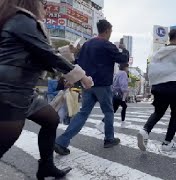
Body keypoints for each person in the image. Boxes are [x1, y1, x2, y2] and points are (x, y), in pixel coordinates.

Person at [0, 0, 94, 179]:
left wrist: (67, 51)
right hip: (10, 91)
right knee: (4, 140)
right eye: (43, 3)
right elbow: (48, 54)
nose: (46, 8)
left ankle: (46, 166)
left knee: (51, 119)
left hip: (24, 91)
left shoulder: (17, 21)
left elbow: (43, 52)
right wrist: (82, 77)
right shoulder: (22, 20)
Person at [55, 19, 129, 155]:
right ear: (107, 30)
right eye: (111, 31)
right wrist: (124, 49)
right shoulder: (108, 45)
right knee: (108, 111)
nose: (110, 34)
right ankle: (109, 138)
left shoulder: (86, 45)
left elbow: (77, 62)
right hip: (103, 85)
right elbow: (123, 60)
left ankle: (62, 141)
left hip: (87, 83)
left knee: (83, 113)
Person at [137, 29, 176, 152]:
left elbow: (151, 70)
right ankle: (167, 142)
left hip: (157, 86)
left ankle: (145, 131)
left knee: (158, 112)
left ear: (169, 38)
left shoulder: (158, 52)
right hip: (172, 85)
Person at [96, 63, 130, 132]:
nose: (128, 69)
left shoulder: (117, 73)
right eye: (127, 67)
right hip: (119, 95)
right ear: (125, 67)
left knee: (114, 109)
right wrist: (125, 93)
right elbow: (123, 85)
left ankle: (122, 122)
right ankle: (102, 124)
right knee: (116, 109)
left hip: (114, 94)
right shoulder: (123, 73)